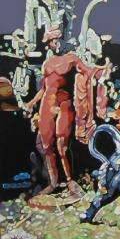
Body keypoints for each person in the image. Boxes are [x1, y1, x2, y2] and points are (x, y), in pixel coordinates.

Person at [25, 26, 110, 196]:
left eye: (54, 41)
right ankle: (53, 182)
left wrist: (102, 68)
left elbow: (89, 72)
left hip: (64, 103)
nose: (52, 44)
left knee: (62, 144)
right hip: (47, 105)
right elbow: (44, 88)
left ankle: (70, 180)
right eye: (50, 42)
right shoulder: (47, 63)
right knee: (47, 145)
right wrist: (31, 103)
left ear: (60, 40)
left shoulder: (72, 59)